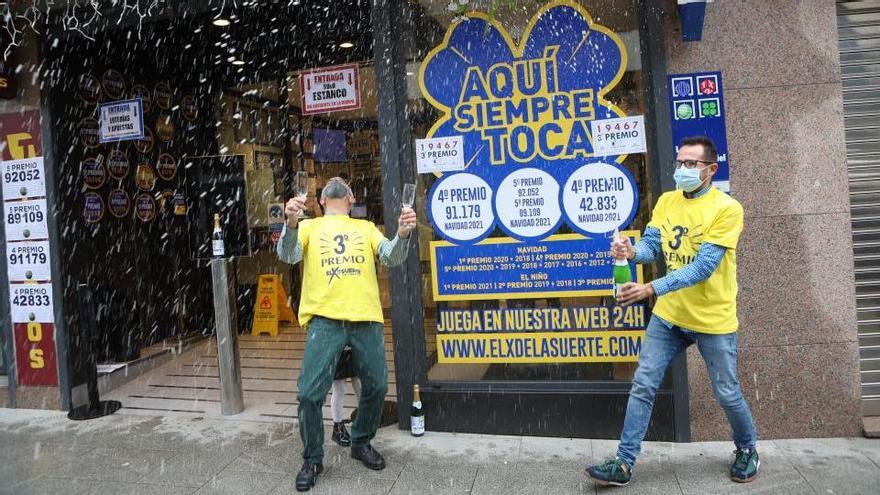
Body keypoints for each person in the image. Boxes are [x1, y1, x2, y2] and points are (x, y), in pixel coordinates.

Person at [586, 136, 759, 486]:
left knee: (726, 391)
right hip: (669, 317)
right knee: (643, 384)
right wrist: (631, 252)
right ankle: (623, 462)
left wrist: (650, 288)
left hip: (713, 320)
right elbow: (653, 245)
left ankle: (746, 448)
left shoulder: (727, 209)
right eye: (679, 162)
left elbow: (702, 268)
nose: (682, 169)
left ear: (711, 170)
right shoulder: (666, 201)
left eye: (691, 164)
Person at [277, 176, 416, 492]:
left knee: (378, 386)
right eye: (330, 186)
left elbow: (392, 256)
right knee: (309, 394)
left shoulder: (366, 228)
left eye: (344, 186)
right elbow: (288, 255)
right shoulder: (309, 226)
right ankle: (313, 458)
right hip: (324, 322)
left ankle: (360, 440)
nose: (337, 185)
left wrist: (404, 234)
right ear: (321, 201)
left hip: (366, 319)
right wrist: (291, 221)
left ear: (352, 198)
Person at [329, 346, 361, 447]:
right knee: (339, 389)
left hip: (354, 345)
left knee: (360, 384)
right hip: (335, 347)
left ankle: (364, 418)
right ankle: (338, 428)